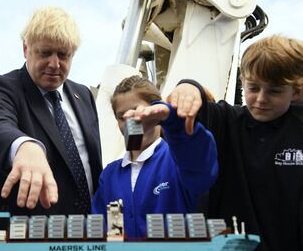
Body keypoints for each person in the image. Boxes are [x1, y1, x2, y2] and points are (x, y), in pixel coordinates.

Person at [169, 35, 303, 250]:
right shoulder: (226, 120)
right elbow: (196, 110)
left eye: (274, 91)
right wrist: (188, 86)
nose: (260, 99)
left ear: (295, 92)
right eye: (253, 88)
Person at [0, 6, 102, 217]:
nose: (54, 64)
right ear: (26, 49)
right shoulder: (0, 87)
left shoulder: (84, 96)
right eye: (45, 53)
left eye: (63, 55)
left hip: (91, 231)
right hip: (29, 236)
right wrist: (25, 146)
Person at [91, 75, 218, 239]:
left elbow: (201, 166)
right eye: (121, 116)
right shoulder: (110, 176)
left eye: (138, 111)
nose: (131, 121)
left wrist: (175, 122)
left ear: (156, 111)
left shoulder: (178, 161)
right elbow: (112, 234)